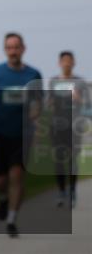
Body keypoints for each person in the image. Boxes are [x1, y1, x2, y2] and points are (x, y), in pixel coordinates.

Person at [0, 32, 42, 238]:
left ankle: (12, 220)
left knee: (17, 176)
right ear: (5, 50)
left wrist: (35, 113)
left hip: (22, 135)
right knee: (0, 180)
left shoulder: (33, 75)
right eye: (9, 47)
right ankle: (3, 199)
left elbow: (38, 101)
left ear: (23, 49)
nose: (13, 51)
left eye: (16, 47)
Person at [48, 51, 88, 209]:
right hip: (57, 125)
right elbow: (49, 102)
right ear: (59, 63)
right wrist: (51, 103)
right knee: (58, 159)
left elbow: (88, 105)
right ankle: (61, 191)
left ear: (73, 63)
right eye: (63, 61)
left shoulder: (80, 82)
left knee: (72, 160)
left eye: (69, 61)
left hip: (74, 125)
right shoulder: (53, 81)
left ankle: (72, 191)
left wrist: (80, 100)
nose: (66, 63)